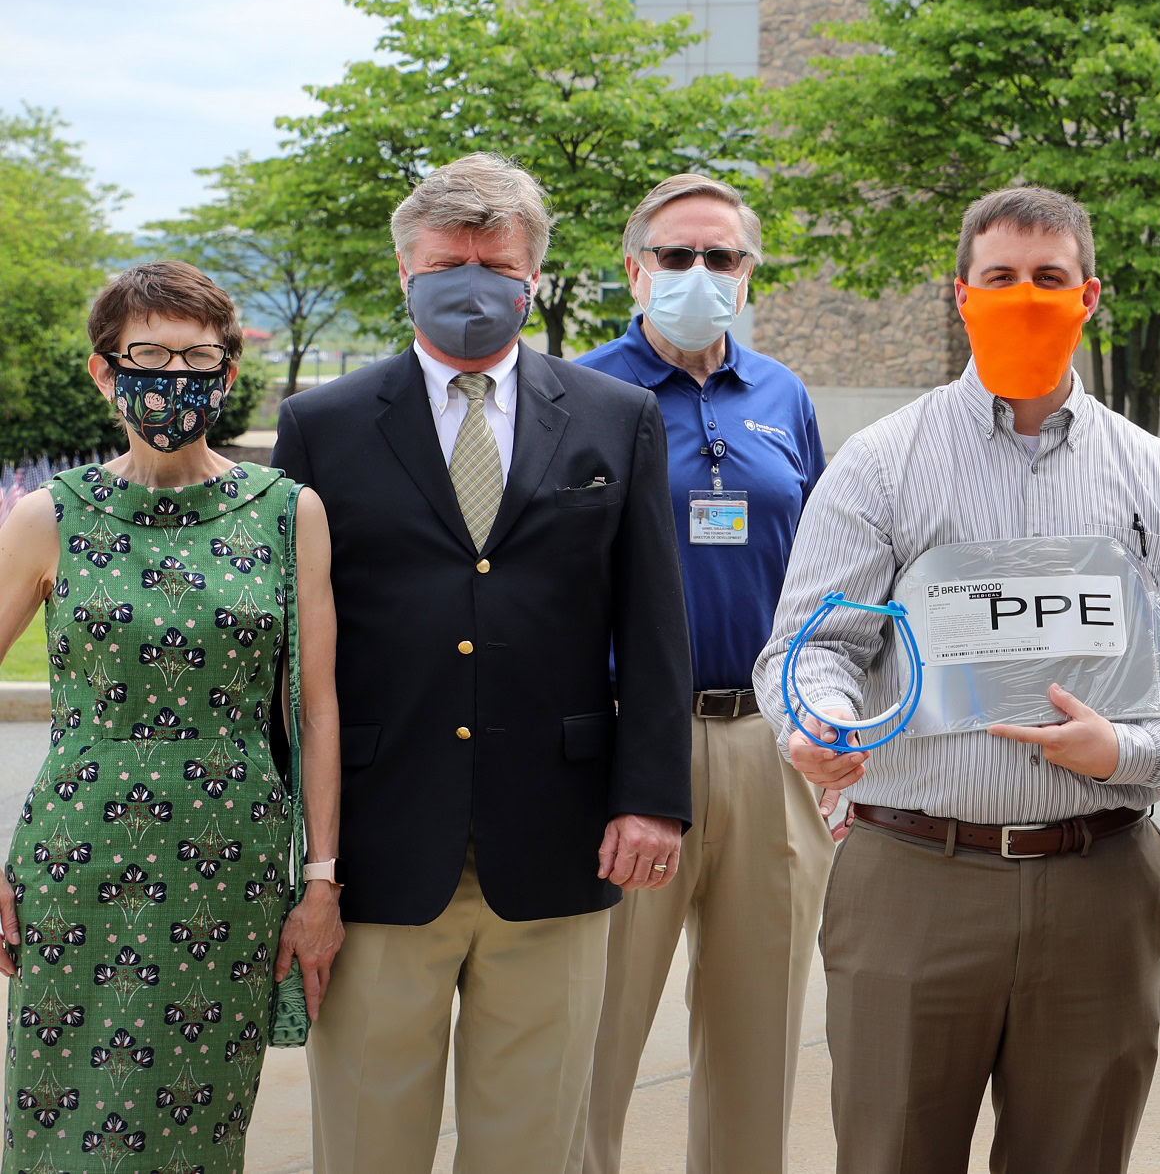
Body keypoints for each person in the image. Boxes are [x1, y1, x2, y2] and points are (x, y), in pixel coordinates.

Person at [755, 184, 1160, 1174]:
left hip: (1100, 877)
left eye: (1048, 278)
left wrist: (1138, 749)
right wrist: (816, 720)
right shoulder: (880, 466)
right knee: (891, 1150)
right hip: (913, 876)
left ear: (1089, 295)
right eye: (1000, 277)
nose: (1023, 294)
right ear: (961, 293)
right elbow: (809, 645)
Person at [270, 153, 693, 1174]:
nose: (471, 279)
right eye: (446, 260)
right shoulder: (321, 425)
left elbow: (652, 624)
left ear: (532, 276)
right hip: (376, 844)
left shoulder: (614, 418)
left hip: (558, 838)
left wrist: (652, 797)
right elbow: (284, 645)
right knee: (368, 1141)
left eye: (493, 261)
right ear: (405, 270)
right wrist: (296, 850)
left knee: (531, 1145)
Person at [0, 261, 343, 1173]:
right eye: (147, 354)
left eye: (197, 358)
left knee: (196, 1116)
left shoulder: (286, 513)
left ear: (228, 375)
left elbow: (316, 707)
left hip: (227, 863)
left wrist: (321, 880)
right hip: (75, 858)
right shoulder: (48, 517)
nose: (173, 379)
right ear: (104, 371)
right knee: (61, 1112)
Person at [574, 174, 830, 1174]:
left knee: (758, 1039)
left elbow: (823, 570)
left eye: (720, 257)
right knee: (594, 1034)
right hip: (629, 747)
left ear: (748, 272)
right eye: (676, 255)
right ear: (633, 268)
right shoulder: (580, 394)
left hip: (769, 742)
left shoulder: (783, 398)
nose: (697, 274)